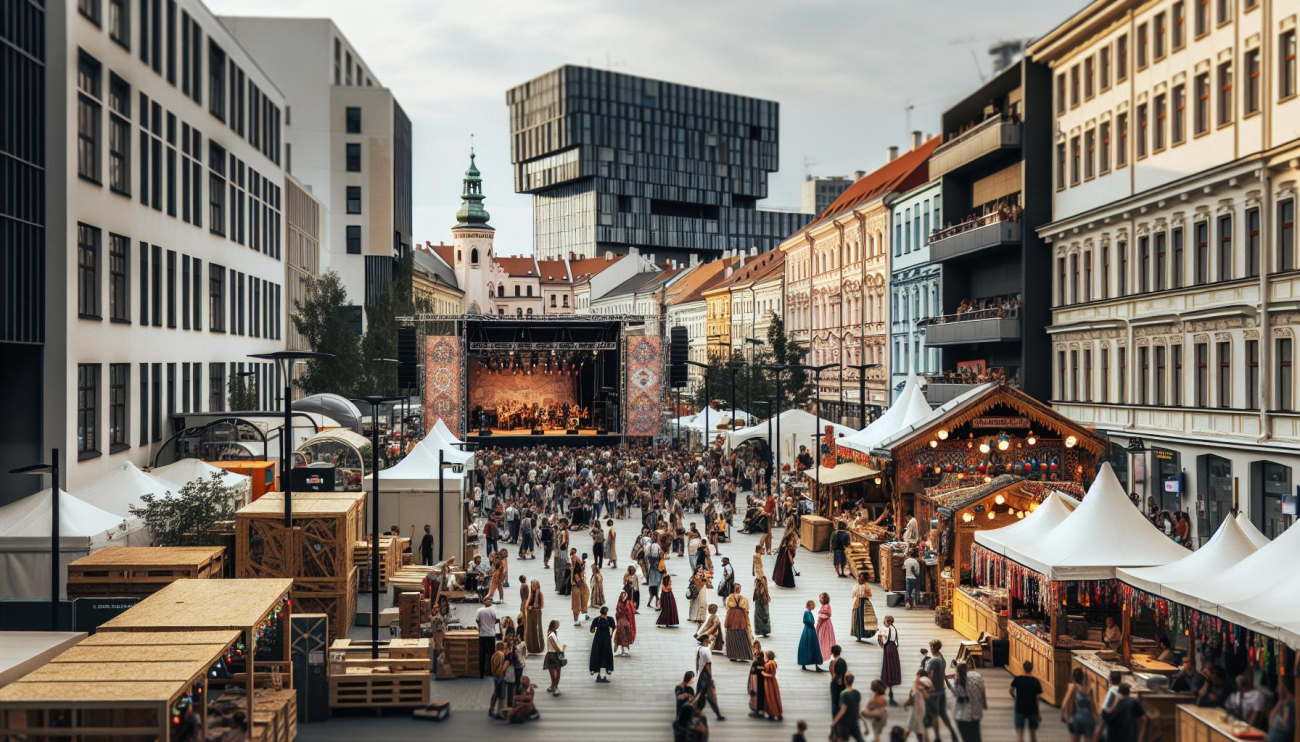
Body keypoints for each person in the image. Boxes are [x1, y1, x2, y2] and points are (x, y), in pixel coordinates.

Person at [925, 640, 958, 742]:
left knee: (934, 714)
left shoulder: (932, 661)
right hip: (941, 690)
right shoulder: (942, 659)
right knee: (943, 713)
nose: (930, 648)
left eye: (931, 647)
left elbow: (929, 676)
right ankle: (952, 732)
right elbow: (943, 675)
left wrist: (926, 689)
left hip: (934, 691)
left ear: (935, 648)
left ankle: (937, 737)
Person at [1010, 661, 1043, 742]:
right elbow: (1037, 698)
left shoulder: (1018, 679)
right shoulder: (1035, 681)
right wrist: (1038, 712)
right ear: (1032, 669)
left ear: (1023, 668)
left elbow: (1011, 690)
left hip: (1020, 707)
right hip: (1032, 708)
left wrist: (1015, 697)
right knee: (1033, 733)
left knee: (1020, 733)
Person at [695, 634, 726, 721]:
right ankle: (718, 715)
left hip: (701, 674)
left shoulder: (698, 649)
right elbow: (708, 664)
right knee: (709, 696)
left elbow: (697, 662)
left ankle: (695, 712)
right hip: (705, 675)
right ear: (705, 640)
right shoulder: (706, 650)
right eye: (708, 639)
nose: (709, 641)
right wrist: (710, 677)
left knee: (699, 695)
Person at [1060, 668, 1095, 742]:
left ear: (1073, 677)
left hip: (1076, 718)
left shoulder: (1073, 687)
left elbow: (1064, 704)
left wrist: (1062, 716)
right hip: (1089, 718)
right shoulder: (1089, 689)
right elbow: (1093, 706)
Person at [832, 672, 865, 742]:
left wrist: (834, 721)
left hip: (844, 724)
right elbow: (858, 709)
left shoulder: (844, 694)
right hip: (854, 723)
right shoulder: (857, 693)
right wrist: (864, 721)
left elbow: (843, 709)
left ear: (845, 681)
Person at [723, 584, 753, 661]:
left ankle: (733, 655)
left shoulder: (729, 598)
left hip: (731, 617)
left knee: (732, 637)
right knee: (742, 637)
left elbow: (727, 607)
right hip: (741, 618)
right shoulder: (743, 598)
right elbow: (747, 608)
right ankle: (743, 656)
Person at [879, 615, 903, 705]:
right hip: (893, 647)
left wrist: (881, 638)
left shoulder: (888, 629)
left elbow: (884, 640)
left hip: (889, 648)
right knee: (892, 664)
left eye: (885, 621)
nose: (884, 623)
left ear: (888, 622)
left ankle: (888, 679)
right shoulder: (893, 628)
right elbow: (896, 641)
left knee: (889, 665)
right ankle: (890, 680)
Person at [903, 669, 933, 741]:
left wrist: (907, 703)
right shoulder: (925, 683)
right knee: (919, 730)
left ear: (919, 675)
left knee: (909, 728)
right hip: (921, 710)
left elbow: (912, 695)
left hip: (916, 710)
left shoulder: (918, 683)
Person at [588, 605, 615, 682]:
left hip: (598, 639)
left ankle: (597, 672)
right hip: (605, 639)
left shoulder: (597, 619)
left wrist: (593, 628)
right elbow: (614, 628)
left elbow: (592, 630)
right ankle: (605, 673)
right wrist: (612, 635)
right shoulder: (610, 619)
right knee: (605, 654)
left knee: (598, 654)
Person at [476, 597, 500, 679]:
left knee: (482, 655)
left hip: (482, 635)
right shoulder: (493, 610)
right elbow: (497, 620)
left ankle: (481, 673)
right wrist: (491, 624)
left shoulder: (479, 610)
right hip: (491, 635)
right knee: (492, 654)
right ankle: (492, 672)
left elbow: (477, 621)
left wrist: (482, 625)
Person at [799, 599, 825, 671]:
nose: (812, 606)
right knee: (811, 645)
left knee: (812, 646)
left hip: (810, 630)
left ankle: (811, 664)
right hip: (809, 630)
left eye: (813, 605)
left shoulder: (809, 613)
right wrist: (811, 623)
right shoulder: (807, 612)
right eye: (811, 605)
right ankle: (808, 664)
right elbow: (807, 621)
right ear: (808, 606)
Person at [851, 572, 877, 641]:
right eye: (860, 578)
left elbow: (869, 595)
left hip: (864, 603)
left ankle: (862, 634)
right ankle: (858, 635)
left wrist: (862, 595)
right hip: (857, 602)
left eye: (862, 578)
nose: (860, 579)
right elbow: (853, 594)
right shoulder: (856, 585)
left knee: (863, 619)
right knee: (857, 618)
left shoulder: (866, 586)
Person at [543, 619, 565, 695]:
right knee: (554, 672)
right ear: (553, 625)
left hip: (553, 653)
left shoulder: (553, 632)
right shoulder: (551, 634)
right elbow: (554, 645)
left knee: (556, 671)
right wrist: (560, 651)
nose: (558, 625)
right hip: (553, 654)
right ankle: (554, 686)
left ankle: (554, 686)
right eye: (557, 624)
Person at [488, 640, 509, 720]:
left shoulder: (497, 654)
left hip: (497, 677)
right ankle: (503, 712)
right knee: (502, 695)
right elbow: (497, 668)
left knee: (496, 693)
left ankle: (491, 709)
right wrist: (505, 666)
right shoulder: (499, 654)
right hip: (499, 677)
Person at [762, 649, 784, 721]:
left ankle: (774, 712)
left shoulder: (771, 663)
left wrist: (763, 673)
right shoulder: (770, 662)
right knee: (771, 697)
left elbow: (772, 675)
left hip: (770, 682)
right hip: (769, 682)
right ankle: (772, 712)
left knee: (771, 697)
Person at [817, 593, 838, 665]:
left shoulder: (825, 606)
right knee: (824, 639)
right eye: (820, 598)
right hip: (826, 624)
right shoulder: (826, 606)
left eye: (822, 598)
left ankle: (823, 655)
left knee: (823, 639)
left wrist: (817, 626)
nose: (820, 599)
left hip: (824, 624)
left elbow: (822, 617)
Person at [749, 641, 768, 719]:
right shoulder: (756, 654)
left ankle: (758, 710)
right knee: (755, 693)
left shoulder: (759, 655)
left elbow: (761, 666)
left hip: (758, 678)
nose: (757, 648)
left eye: (758, 646)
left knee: (758, 693)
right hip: (755, 677)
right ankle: (757, 709)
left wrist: (755, 667)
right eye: (756, 647)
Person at [615, 590, 637, 656]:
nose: (624, 598)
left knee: (624, 636)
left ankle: (624, 650)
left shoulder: (625, 604)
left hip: (623, 622)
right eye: (623, 597)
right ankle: (623, 650)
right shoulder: (621, 605)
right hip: (622, 623)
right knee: (622, 636)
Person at [829, 644, 848, 716]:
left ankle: (835, 717)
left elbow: (833, 675)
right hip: (844, 683)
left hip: (836, 684)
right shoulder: (843, 661)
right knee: (842, 701)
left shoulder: (833, 662)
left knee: (835, 702)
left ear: (832, 652)